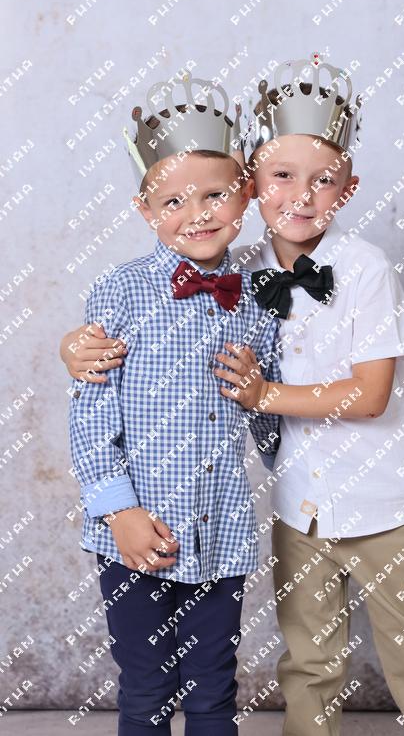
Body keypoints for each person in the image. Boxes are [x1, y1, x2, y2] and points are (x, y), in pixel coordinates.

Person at [212, 55, 404, 736]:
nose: (301, 195)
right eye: (281, 176)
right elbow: (165, 322)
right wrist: (78, 348)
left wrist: (266, 394)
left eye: (323, 180)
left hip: (389, 508)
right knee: (308, 664)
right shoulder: (239, 273)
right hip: (301, 509)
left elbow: (369, 395)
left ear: (348, 189)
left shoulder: (365, 270)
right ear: (250, 181)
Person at [66, 72, 282, 736]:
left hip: (220, 533)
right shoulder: (121, 290)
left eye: (216, 194)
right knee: (147, 686)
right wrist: (120, 511)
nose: (200, 214)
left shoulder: (259, 298)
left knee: (215, 686)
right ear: (145, 209)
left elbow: (271, 423)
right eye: (174, 201)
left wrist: (265, 397)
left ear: (245, 193)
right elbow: (90, 413)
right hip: (136, 533)